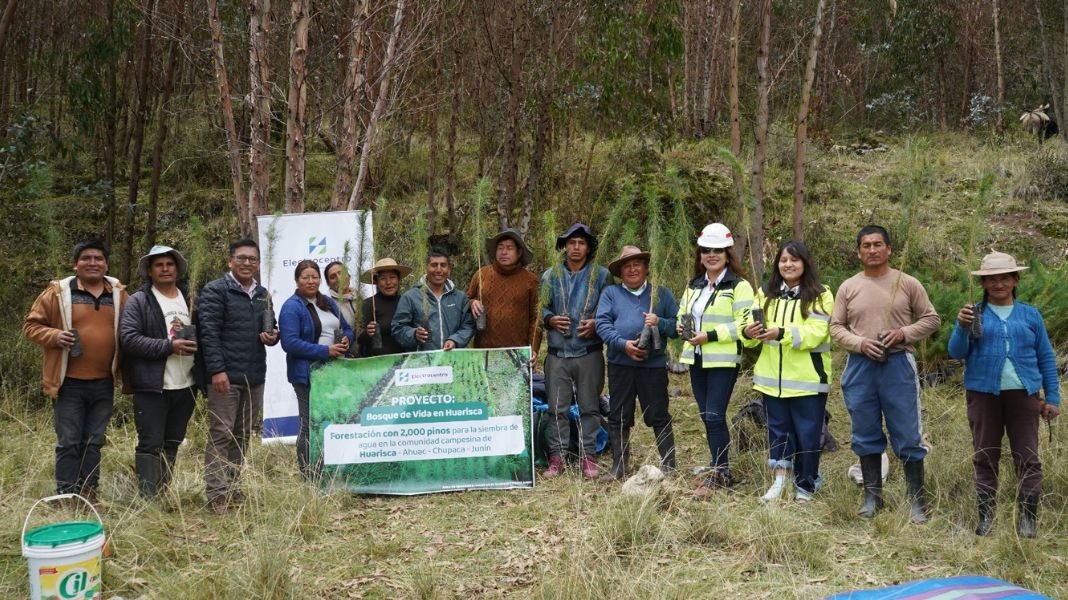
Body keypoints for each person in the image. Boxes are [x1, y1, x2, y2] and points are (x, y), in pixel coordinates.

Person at [830, 225, 940, 524]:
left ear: (889, 249)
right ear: (858, 252)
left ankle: (917, 501)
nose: (872, 250)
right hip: (860, 367)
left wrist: (902, 333)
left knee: (907, 433)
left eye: (878, 244)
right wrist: (861, 343)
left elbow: (931, 319)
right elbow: (836, 327)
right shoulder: (848, 287)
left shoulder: (907, 283)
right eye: (866, 245)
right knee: (865, 432)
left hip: (897, 365)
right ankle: (872, 497)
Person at [948, 251, 1061, 537]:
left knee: (1028, 456)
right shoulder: (973, 313)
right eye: (992, 279)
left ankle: (1027, 520)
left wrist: (1053, 398)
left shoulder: (1030, 314)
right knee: (986, 455)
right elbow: (956, 352)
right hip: (983, 394)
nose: (999, 284)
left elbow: (1046, 357)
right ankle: (986, 517)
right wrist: (961, 328)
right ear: (984, 283)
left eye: (1005, 278)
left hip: (1024, 395)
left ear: (1015, 280)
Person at [24, 240, 128, 504]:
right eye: (86, 258)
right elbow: (31, 326)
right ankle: (67, 495)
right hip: (67, 383)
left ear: (106, 264)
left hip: (104, 383)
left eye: (98, 258)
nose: (92, 263)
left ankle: (89, 493)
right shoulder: (58, 293)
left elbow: (131, 330)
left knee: (94, 441)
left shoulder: (118, 294)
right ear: (76, 264)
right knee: (69, 441)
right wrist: (55, 335)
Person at [742, 240, 834, 504]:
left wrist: (780, 333)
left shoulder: (821, 294)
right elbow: (750, 332)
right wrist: (749, 332)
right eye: (783, 260)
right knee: (778, 432)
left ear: (805, 263)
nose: (788, 264)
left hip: (807, 380)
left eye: (794, 260)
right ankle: (780, 482)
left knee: (807, 434)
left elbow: (816, 333)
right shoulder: (765, 293)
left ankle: (805, 485)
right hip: (772, 381)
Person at [197, 239, 279, 515]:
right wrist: (217, 370)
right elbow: (207, 334)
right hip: (225, 377)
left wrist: (272, 336)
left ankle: (233, 487)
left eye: (252, 259)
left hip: (254, 375)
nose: (247, 264)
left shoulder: (263, 294)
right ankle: (216, 494)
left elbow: (271, 328)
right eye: (241, 258)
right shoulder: (215, 290)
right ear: (230, 261)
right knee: (221, 432)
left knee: (243, 435)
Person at [675, 223, 755, 495]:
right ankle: (716, 464)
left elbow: (744, 324)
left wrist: (710, 335)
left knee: (714, 414)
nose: (711, 255)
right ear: (700, 255)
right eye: (706, 250)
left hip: (722, 360)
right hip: (696, 359)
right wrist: (681, 328)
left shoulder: (739, 286)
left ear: (727, 254)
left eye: (717, 251)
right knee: (705, 415)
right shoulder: (695, 284)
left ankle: (722, 472)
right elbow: (683, 314)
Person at [119, 245, 199, 499]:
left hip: (186, 383)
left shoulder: (191, 297)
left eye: (170, 264)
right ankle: (148, 499)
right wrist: (168, 346)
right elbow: (128, 339)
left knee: (173, 441)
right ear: (150, 271)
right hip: (153, 385)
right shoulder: (139, 300)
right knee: (150, 443)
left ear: (177, 269)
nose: (165, 269)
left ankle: (162, 492)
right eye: (159, 265)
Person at [596, 245, 679, 479]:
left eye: (637, 264)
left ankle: (670, 466)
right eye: (626, 265)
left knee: (659, 414)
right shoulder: (610, 294)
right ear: (620, 271)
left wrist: (659, 322)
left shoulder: (660, 295)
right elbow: (602, 324)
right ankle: (619, 467)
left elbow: (676, 327)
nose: (632, 269)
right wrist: (623, 345)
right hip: (620, 365)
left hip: (652, 367)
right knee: (618, 415)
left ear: (646, 268)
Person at [540, 223, 611, 479]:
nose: (576, 248)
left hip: (589, 352)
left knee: (589, 405)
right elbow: (541, 310)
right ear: (564, 247)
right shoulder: (550, 276)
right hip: (558, 354)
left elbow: (609, 309)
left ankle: (588, 455)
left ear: (589, 247)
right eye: (572, 243)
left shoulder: (600, 276)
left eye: (581, 243)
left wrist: (596, 323)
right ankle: (557, 456)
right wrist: (549, 320)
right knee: (556, 407)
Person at [279, 260, 354, 480]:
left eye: (314, 277)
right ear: (296, 280)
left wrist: (347, 341)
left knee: (331, 421)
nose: (311, 281)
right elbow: (290, 343)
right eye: (305, 277)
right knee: (308, 422)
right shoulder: (292, 307)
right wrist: (325, 350)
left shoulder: (327, 302)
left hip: (333, 372)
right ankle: (309, 473)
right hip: (307, 374)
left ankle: (331, 469)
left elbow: (348, 329)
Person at [467, 229, 542, 359]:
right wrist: (472, 302)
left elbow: (536, 318)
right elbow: (465, 300)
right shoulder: (481, 275)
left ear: (519, 253)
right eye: (500, 248)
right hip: (484, 351)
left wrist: (534, 348)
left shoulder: (531, 280)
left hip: (518, 353)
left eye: (509, 248)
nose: (503, 252)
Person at [392, 248, 475, 351]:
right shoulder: (410, 297)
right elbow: (398, 328)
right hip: (420, 362)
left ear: (449, 269)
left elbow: (468, 325)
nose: (439, 270)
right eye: (434, 265)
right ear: (426, 268)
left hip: (452, 359)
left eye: (443, 265)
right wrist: (414, 334)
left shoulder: (460, 298)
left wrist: (455, 340)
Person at [358, 258, 411, 356]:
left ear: (399, 279)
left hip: (406, 362)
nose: (388, 282)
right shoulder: (368, 304)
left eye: (392, 277)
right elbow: (358, 338)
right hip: (377, 364)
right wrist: (367, 333)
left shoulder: (406, 301)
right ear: (376, 282)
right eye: (383, 278)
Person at [324, 261, 358, 335]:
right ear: (328, 283)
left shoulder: (360, 297)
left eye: (341, 273)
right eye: (333, 277)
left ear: (349, 276)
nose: (339, 279)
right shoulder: (326, 304)